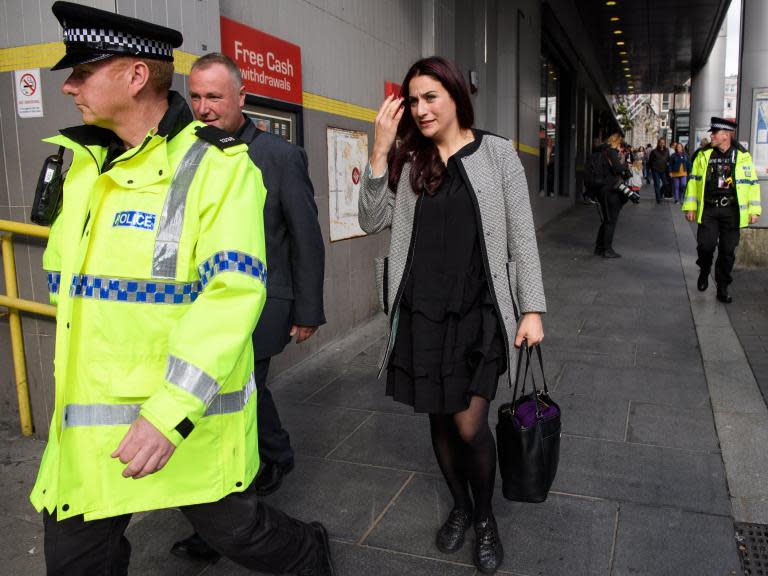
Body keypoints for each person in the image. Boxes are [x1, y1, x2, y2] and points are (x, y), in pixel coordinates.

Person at [31, 3, 334, 575]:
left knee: (239, 531)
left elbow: (233, 294)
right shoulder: (82, 166)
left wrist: (168, 412)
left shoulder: (220, 169)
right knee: (74, 559)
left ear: (136, 75)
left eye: (83, 70)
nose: (68, 85)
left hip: (178, 420)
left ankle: (309, 553)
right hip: (89, 427)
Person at [358, 56, 546, 575]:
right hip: (422, 311)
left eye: (430, 98)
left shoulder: (499, 155)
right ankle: (459, 506)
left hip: (480, 311)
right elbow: (371, 219)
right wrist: (378, 150)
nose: (420, 110)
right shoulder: (409, 160)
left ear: (457, 95)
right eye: (413, 101)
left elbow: (522, 237)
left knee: (469, 425)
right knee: (440, 418)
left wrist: (532, 308)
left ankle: (485, 518)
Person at [171, 53, 326, 563]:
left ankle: (233, 509)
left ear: (242, 96)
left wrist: (308, 309)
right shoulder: (186, 153)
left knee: (227, 401)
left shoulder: (279, 156)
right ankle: (268, 460)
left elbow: (305, 237)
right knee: (232, 399)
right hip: (203, 306)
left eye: (214, 97)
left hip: (263, 307)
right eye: (195, 97)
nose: (203, 108)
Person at [683, 117, 761, 303]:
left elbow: (752, 184)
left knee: (727, 252)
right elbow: (693, 182)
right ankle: (704, 270)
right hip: (709, 209)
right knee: (705, 246)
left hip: (732, 212)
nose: (711, 135)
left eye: (715, 132)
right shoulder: (703, 155)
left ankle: (723, 287)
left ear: (726, 135)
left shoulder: (743, 156)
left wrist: (754, 210)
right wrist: (690, 207)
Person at [594, 133, 630, 258]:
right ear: (616, 142)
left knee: (606, 219)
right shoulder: (611, 152)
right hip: (610, 189)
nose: (621, 146)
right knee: (611, 221)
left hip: (603, 189)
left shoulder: (602, 151)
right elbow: (619, 169)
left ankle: (599, 247)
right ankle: (607, 249)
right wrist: (625, 165)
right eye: (620, 144)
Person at [648, 138, 670, 203]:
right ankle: (658, 198)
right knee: (657, 184)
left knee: (665, 184)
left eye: (663, 143)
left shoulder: (667, 150)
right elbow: (650, 161)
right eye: (661, 142)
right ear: (658, 143)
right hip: (655, 170)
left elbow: (668, 159)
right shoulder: (654, 151)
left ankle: (660, 193)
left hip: (664, 170)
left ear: (664, 143)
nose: (662, 144)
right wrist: (651, 169)